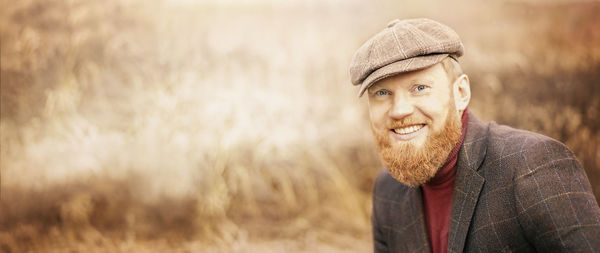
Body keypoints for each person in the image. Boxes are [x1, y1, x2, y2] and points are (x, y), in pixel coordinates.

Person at [348, 18, 600, 253]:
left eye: (420, 88)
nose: (399, 110)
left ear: (460, 93)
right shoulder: (387, 189)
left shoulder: (531, 165)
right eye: (381, 93)